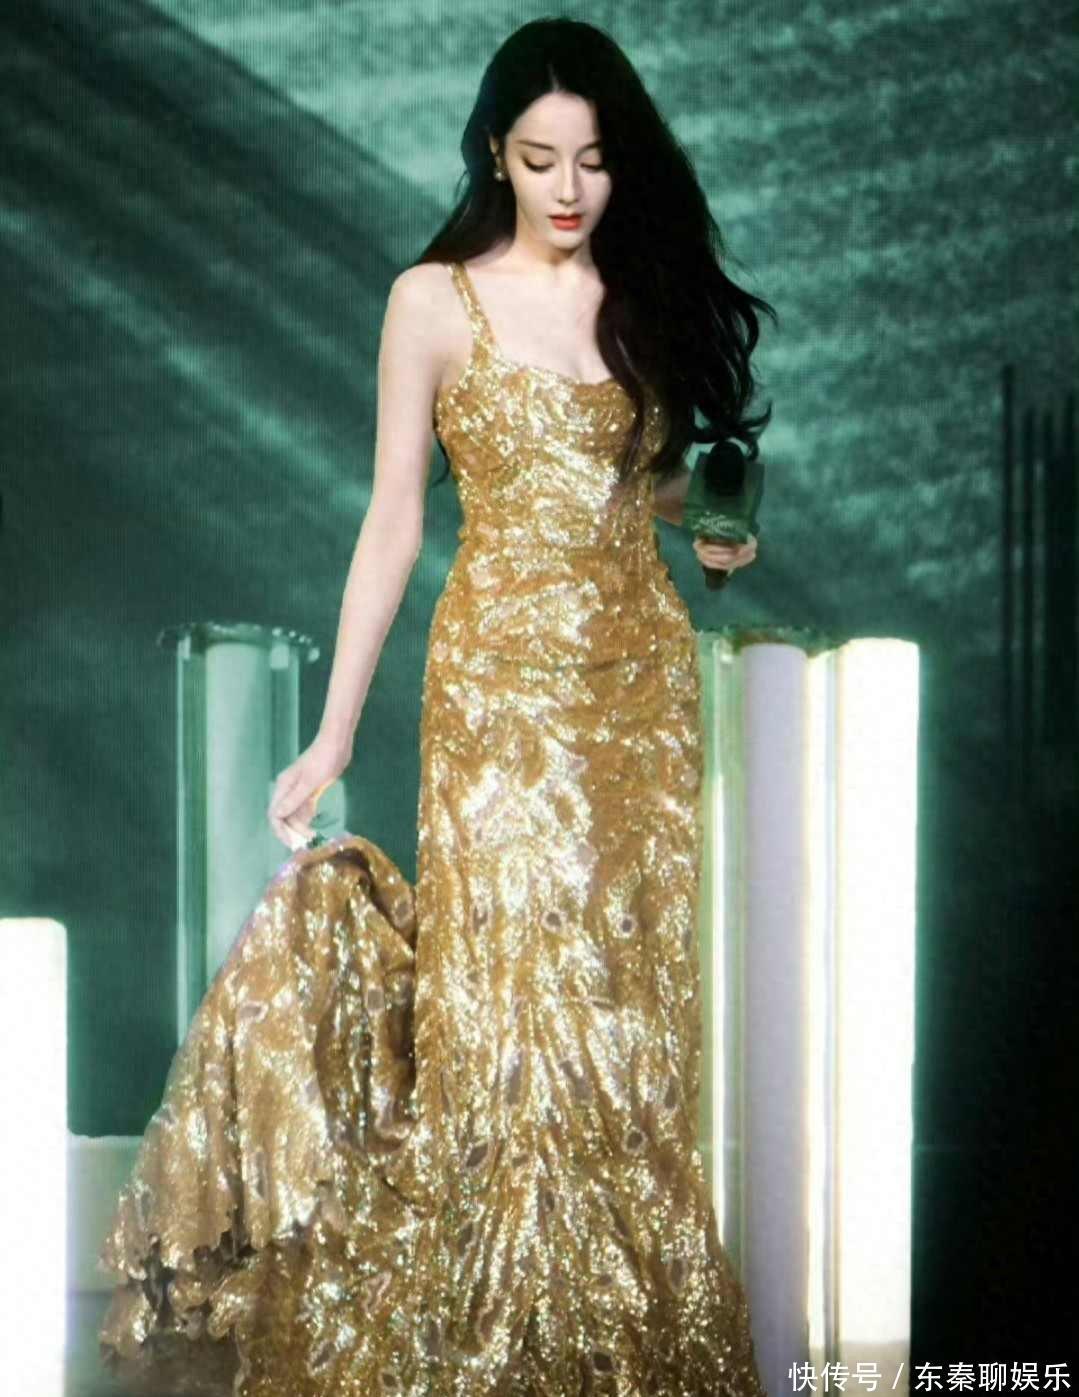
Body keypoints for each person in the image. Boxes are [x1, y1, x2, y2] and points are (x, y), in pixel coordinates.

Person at [97, 18, 776, 1396]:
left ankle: (617, 1342)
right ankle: (493, 1334)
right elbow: (395, 519)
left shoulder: (642, 300)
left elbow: (642, 490)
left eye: (593, 160)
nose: (569, 188)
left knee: (627, 1018)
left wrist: (713, 533)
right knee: (508, 1005)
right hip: (497, 700)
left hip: (638, 701)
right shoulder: (432, 303)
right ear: (495, 157)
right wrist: (336, 729)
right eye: (540, 159)